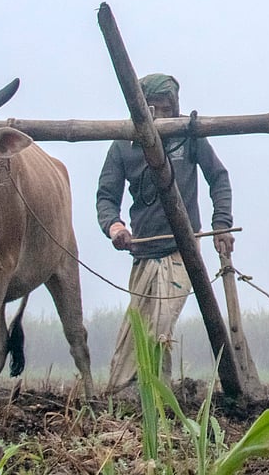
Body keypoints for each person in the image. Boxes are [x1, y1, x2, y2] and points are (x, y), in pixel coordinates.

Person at [96, 73, 234, 392]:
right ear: (140, 109)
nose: (160, 115)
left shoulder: (188, 134)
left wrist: (221, 224)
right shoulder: (123, 144)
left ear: (175, 107)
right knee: (137, 329)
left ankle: (156, 392)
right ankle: (129, 390)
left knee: (160, 325)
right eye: (153, 108)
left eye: (167, 108)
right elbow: (106, 196)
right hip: (143, 252)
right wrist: (114, 226)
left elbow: (219, 178)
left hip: (182, 253)